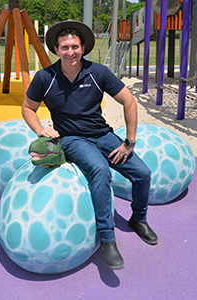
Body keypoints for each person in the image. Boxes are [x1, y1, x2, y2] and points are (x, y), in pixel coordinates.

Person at [22, 20, 158, 270]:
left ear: (83, 48)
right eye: (64, 47)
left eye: (74, 46)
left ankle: (138, 219)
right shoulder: (46, 77)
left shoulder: (98, 73)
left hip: (103, 135)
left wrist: (129, 142)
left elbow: (129, 101)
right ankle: (107, 238)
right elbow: (28, 108)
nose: (70, 52)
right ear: (56, 49)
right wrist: (40, 129)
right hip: (72, 139)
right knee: (100, 171)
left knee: (142, 174)